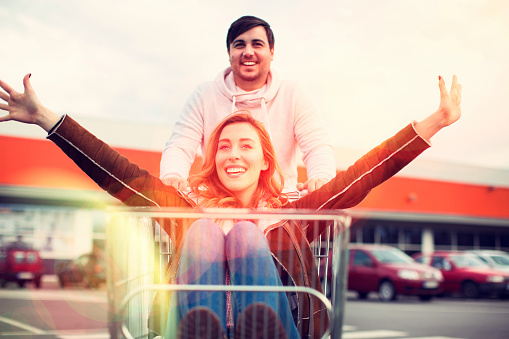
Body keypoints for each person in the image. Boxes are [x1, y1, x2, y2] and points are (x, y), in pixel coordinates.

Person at [0, 74, 461, 338]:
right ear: (213, 159)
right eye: (223, 147)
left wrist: (433, 124)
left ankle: (259, 327)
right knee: (203, 229)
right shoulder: (187, 209)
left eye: (245, 145)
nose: (233, 154)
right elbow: (120, 173)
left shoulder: (295, 214)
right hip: (193, 325)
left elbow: (367, 172)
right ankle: (203, 327)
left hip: (281, 328)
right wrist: (47, 119)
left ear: (264, 160)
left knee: (243, 232)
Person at [160, 15, 337, 194]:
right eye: (239, 45)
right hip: (219, 207)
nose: (248, 51)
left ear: (272, 52)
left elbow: (316, 145)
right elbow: (180, 145)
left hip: (279, 206)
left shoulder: (292, 94)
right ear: (229, 53)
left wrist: (321, 177)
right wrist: (173, 175)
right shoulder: (205, 95)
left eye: (257, 44)